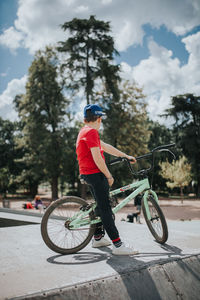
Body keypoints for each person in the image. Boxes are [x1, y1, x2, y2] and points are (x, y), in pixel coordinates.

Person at [76, 104, 139, 255]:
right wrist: (109, 175)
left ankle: (98, 238)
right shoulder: (91, 132)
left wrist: (125, 156)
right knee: (105, 210)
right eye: (101, 118)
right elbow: (98, 158)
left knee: (99, 205)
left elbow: (106, 147)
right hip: (95, 174)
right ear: (98, 118)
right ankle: (118, 245)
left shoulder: (85, 131)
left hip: (87, 174)